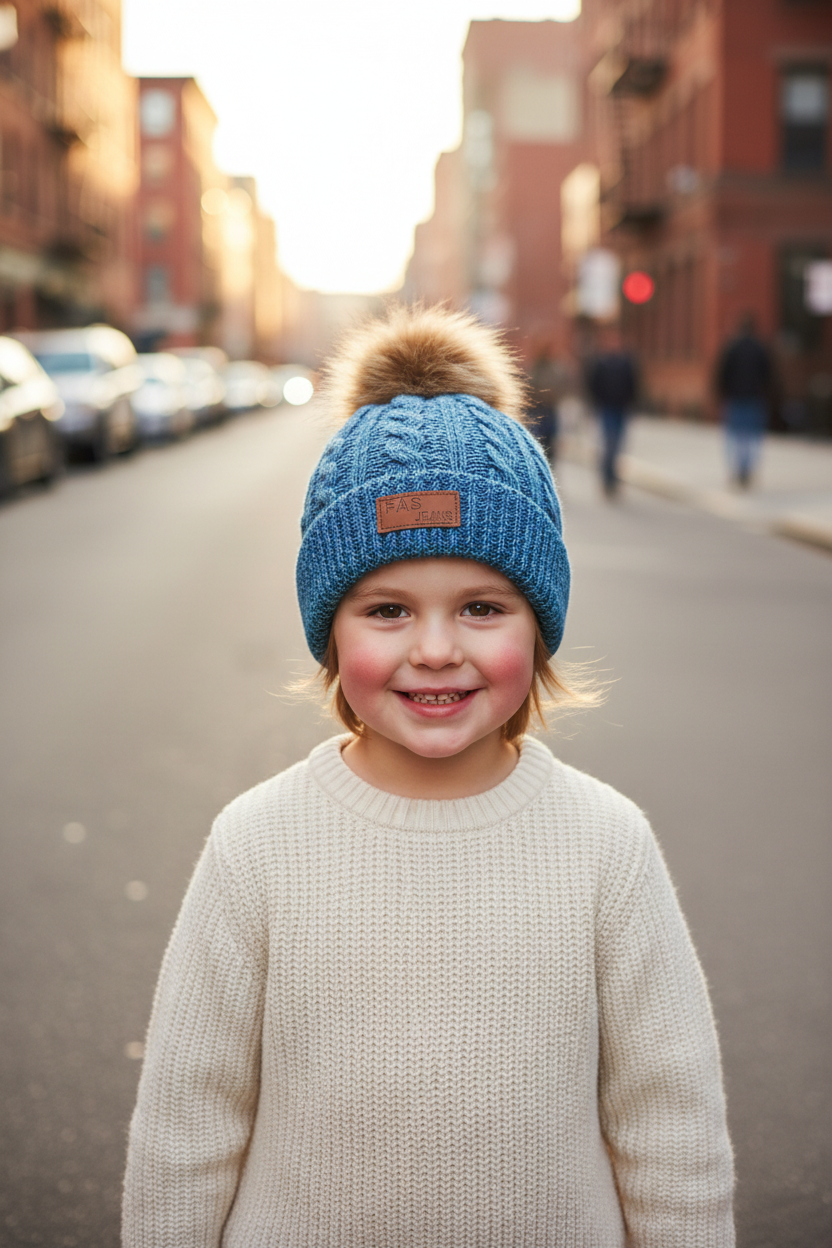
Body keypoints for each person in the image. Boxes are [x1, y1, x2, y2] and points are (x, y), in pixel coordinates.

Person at [122, 306, 735, 1247]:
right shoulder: (258, 845)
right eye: (389, 610)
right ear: (331, 630)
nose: (437, 650)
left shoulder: (605, 845)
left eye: (483, 606)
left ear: (540, 623)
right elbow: (186, 1128)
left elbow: (671, 1129)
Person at [716, 313, 773, 488]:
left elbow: (722, 374)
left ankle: (737, 470)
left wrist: (722, 394)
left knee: (734, 437)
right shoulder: (760, 347)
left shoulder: (731, 347)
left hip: (735, 398)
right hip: (754, 398)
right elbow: (768, 375)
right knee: (752, 437)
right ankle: (747, 470)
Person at [584, 327, 639, 496]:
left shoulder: (626, 362)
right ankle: (607, 478)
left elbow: (634, 384)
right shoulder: (600, 363)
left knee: (618, 444)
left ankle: (613, 477)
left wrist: (632, 403)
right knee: (609, 443)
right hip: (606, 407)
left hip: (621, 408)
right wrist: (595, 404)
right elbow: (593, 384)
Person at [526, 345, 566, 465]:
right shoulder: (536, 368)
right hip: (539, 409)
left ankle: (550, 462)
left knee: (551, 440)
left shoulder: (556, 368)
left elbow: (562, 386)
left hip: (551, 409)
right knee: (539, 438)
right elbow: (531, 386)